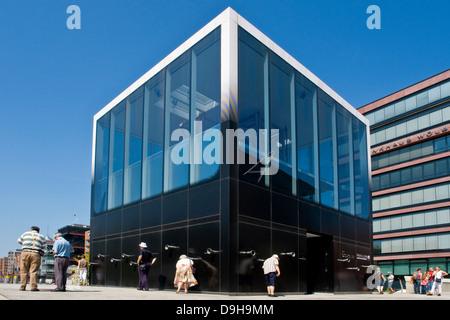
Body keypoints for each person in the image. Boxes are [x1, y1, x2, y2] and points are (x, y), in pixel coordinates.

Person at [17, 226, 46, 291]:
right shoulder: (41, 236)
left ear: (31, 230)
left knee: (23, 270)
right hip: (36, 254)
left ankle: (22, 286)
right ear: (38, 231)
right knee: (34, 271)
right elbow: (44, 246)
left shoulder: (25, 234)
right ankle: (33, 287)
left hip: (25, 253)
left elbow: (19, 241)